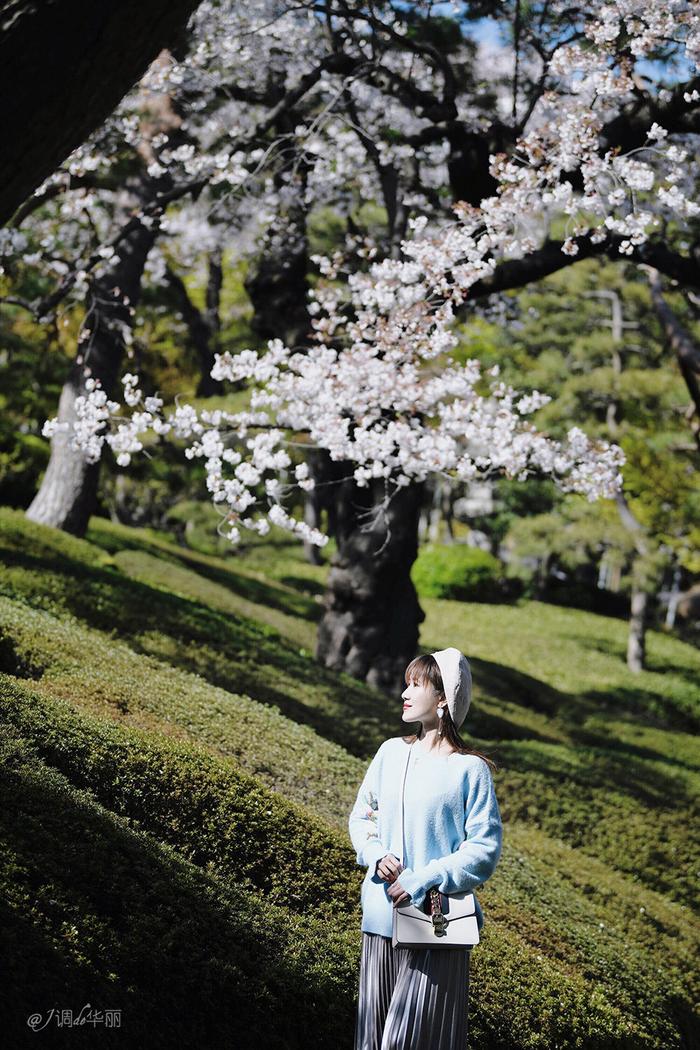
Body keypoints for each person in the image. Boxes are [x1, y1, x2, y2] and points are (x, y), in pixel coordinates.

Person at [348, 647, 503, 1050]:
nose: (405, 691)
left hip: (436, 926)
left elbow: (483, 849)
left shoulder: (470, 770)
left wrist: (424, 878)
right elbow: (362, 816)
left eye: (417, 684)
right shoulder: (390, 753)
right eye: (407, 682)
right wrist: (375, 853)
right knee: (372, 1040)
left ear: (443, 699)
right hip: (380, 920)